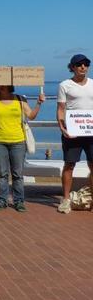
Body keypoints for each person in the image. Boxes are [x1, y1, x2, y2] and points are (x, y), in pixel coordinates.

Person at [0, 84, 43, 212]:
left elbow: (31, 116)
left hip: (18, 141)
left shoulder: (19, 99)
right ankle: (2, 199)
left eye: (5, 84)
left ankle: (19, 200)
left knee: (17, 174)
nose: (2, 86)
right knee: (2, 173)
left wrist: (39, 103)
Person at [56, 53, 93, 214]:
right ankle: (65, 200)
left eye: (86, 64)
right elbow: (61, 109)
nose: (83, 67)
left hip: (91, 131)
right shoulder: (65, 85)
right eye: (79, 64)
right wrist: (62, 128)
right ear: (72, 67)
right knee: (69, 165)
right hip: (72, 132)